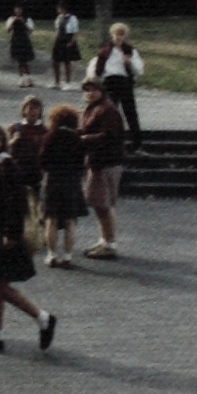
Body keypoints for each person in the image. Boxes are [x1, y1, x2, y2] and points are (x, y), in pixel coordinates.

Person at [0, 125, 53, 354]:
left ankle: (43, 318)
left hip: (5, 233)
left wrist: (11, 233)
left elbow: (17, 203)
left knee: (0, 285)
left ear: (2, 142)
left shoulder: (8, 166)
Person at [77, 78, 127, 259]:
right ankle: (104, 239)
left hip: (106, 162)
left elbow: (109, 136)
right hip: (98, 161)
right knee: (100, 205)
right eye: (86, 90)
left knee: (103, 205)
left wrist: (83, 139)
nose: (89, 93)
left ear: (101, 90)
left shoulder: (107, 110)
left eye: (93, 89)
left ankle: (110, 243)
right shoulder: (94, 108)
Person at [38, 105, 87, 267]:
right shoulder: (76, 138)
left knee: (51, 219)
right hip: (72, 181)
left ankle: (52, 255)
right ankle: (67, 256)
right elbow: (82, 162)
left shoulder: (49, 137)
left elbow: (42, 160)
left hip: (53, 180)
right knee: (70, 221)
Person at [87, 22, 144, 150]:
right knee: (110, 114)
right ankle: (111, 144)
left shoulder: (130, 50)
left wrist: (129, 63)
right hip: (109, 82)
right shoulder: (105, 51)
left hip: (124, 82)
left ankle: (137, 144)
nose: (119, 37)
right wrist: (92, 79)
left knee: (130, 113)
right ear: (112, 35)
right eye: (116, 34)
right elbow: (95, 67)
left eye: (121, 34)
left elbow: (139, 70)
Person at [7, 95, 49, 195]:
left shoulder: (44, 130)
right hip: (18, 168)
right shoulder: (15, 128)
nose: (33, 111)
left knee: (35, 198)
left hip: (35, 170)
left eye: (36, 109)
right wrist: (13, 140)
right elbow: (4, 147)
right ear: (24, 111)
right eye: (30, 108)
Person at [48, 3, 81, 90]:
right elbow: (57, 30)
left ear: (63, 8)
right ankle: (57, 82)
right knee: (55, 61)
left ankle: (67, 83)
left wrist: (72, 42)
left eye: (59, 8)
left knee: (67, 62)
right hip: (59, 40)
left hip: (68, 39)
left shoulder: (72, 18)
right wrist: (54, 42)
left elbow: (75, 32)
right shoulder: (59, 18)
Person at [5, 6, 36, 86]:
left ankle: (28, 79)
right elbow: (8, 30)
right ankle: (21, 78)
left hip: (24, 40)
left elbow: (30, 31)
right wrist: (13, 22)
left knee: (25, 61)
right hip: (15, 40)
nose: (18, 11)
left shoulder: (27, 19)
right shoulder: (11, 19)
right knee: (19, 61)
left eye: (19, 9)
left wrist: (23, 22)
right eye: (16, 9)